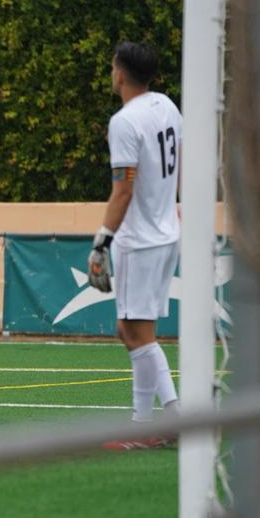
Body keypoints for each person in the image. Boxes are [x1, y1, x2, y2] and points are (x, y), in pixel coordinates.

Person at [88, 42, 183, 451]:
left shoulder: (124, 121)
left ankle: (163, 422)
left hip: (140, 239)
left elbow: (122, 190)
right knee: (134, 331)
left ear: (120, 73)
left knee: (135, 332)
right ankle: (149, 423)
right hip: (165, 231)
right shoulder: (167, 106)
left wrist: (100, 243)